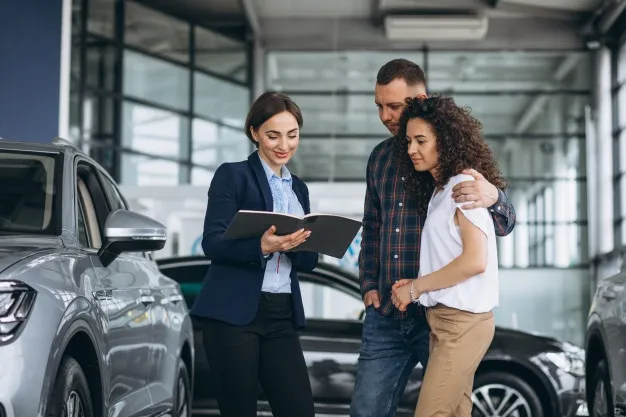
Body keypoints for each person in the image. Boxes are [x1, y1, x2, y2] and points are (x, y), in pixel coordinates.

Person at [350, 59, 516, 417]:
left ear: (418, 100)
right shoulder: (379, 159)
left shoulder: (452, 167)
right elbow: (372, 225)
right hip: (386, 312)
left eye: (394, 106)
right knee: (367, 410)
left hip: (434, 310)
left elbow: (497, 229)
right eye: (379, 105)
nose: (385, 115)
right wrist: (367, 284)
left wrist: (496, 199)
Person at [190, 91, 319, 417]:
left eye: (292, 135)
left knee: (299, 410)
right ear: (254, 134)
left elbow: (308, 261)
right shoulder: (233, 175)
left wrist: (305, 244)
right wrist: (262, 247)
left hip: (281, 314)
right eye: (273, 135)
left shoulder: (298, 188)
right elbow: (213, 243)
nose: (284, 145)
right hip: (234, 316)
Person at [390, 95, 503, 416]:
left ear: (447, 140)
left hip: (463, 324)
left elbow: (474, 261)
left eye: (421, 140)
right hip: (441, 321)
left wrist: (416, 288)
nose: (412, 149)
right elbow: (449, 257)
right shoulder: (440, 190)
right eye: (409, 141)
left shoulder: (464, 187)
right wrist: (418, 283)